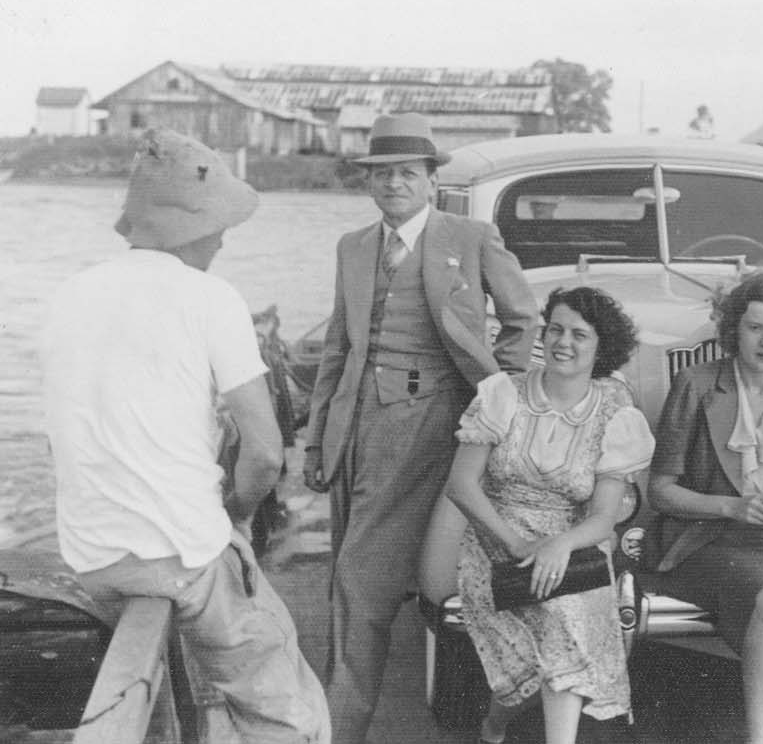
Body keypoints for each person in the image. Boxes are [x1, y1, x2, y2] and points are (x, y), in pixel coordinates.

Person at [40, 129, 330, 743]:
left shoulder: (68, 295)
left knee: (178, 687)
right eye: (219, 225)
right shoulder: (210, 298)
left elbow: (58, 443)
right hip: (180, 556)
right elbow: (265, 452)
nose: (224, 238)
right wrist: (236, 519)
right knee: (288, 702)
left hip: (93, 558)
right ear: (194, 228)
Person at [302, 113, 537, 744]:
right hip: (359, 428)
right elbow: (336, 346)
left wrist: (501, 392)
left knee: (358, 579)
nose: (393, 185)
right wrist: (317, 433)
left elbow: (521, 318)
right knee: (348, 575)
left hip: (434, 428)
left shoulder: (470, 235)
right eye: (381, 175)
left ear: (431, 179)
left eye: (407, 173)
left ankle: (340, 727)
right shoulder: (353, 247)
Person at [434, 287, 654, 744]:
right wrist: (516, 544)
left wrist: (559, 545)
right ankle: (495, 725)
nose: (563, 342)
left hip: (571, 547)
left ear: (601, 346)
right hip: (497, 543)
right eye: (555, 329)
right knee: (545, 653)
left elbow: (601, 519)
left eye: (579, 334)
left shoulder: (615, 414)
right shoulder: (503, 395)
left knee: (563, 617)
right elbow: (461, 486)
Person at [647, 272, 763, 744]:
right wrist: (731, 507)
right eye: (755, 328)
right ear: (734, 331)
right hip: (701, 541)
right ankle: (755, 733)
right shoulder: (695, 384)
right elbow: (660, 492)